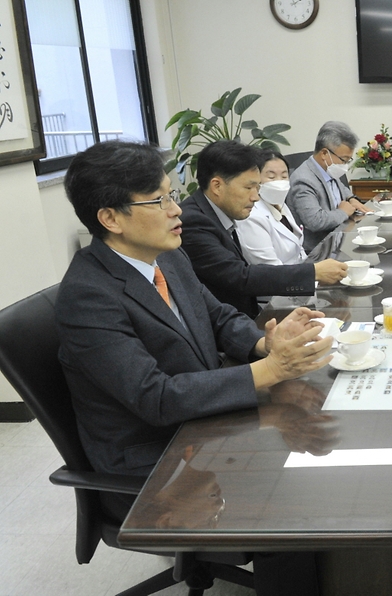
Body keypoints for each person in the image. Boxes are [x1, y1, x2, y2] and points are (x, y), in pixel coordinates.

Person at [56, 141, 334, 595]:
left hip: (202, 424)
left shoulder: (166, 254)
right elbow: (156, 396)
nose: (176, 210)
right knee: (292, 507)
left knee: (313, 449)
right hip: (153, 459)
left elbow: (218, 317)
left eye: (172, 194)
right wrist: (270, 371)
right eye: (160, 200)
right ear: (110, 218)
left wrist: (266, 342)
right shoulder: (89, 296)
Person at [179, 140, 347, 319]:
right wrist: (313, 272)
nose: (255, 197)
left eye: (257, 187)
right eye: (248, 187)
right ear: (217, 186)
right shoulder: (194, 221)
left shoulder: (221, 211)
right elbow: (239, 276)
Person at [288, 121, 373, 252]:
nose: (345, 165)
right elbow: (315, 221)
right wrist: (343, 212)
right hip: (317, 252)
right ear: (324, 153)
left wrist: (351, 198)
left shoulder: (327, 169)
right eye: (344, 160)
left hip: (338, 242)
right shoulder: (303, 180)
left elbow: (339, 188)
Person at [236, 150, 308, 265]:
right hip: (281, 279)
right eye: (271, 177)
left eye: (284, 176)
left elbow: (298, 248)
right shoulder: (251, 217)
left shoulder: (280, 205)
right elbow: (270, 269)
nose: (279, 182)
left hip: (300, 272)